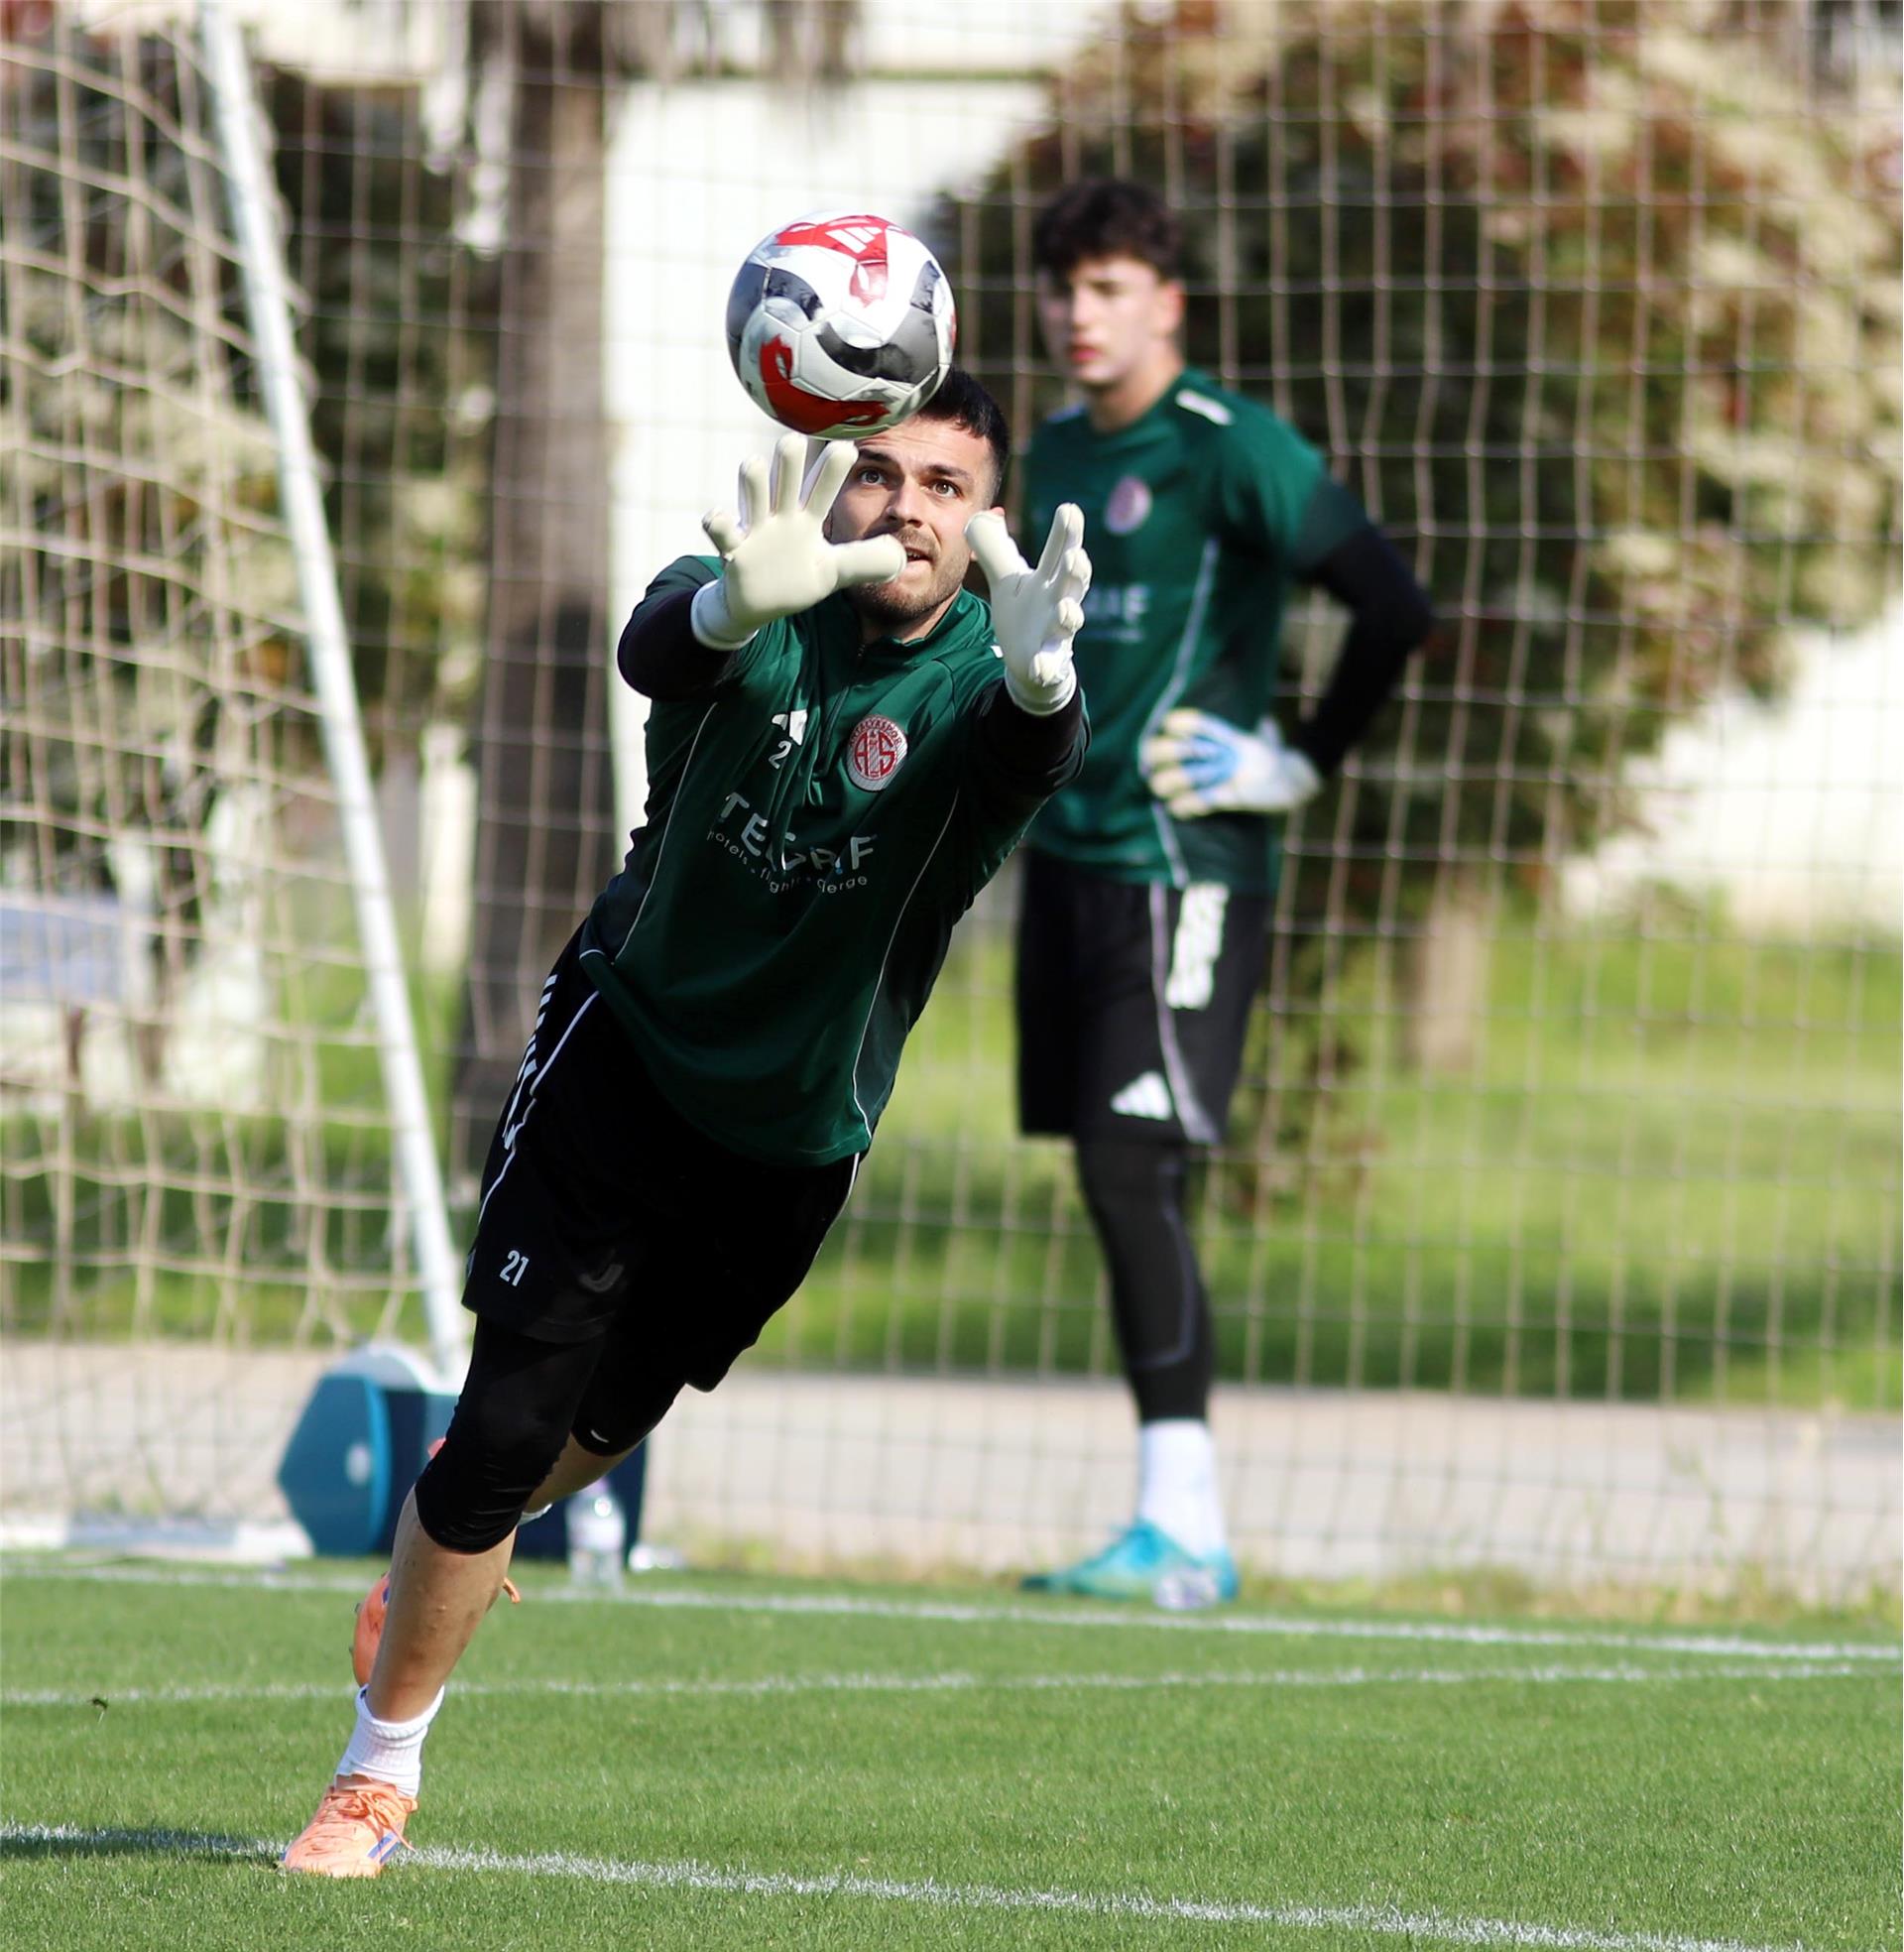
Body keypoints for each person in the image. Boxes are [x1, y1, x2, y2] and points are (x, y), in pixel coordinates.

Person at [283, 368, 1092, 1876]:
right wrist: (729, 607)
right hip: (622, 1059)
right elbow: (654, 646)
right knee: (510, 1419)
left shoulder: (987, 682)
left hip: (791, 1137)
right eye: (880, 471)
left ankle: (447, 1539)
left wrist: (1047, 687)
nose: (906, 507)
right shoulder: (754, 586)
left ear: (987, 524)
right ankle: (374, 1778)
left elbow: (1028, 757)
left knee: (595, 1427)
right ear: (833, 479)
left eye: (948, 487)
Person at [1012, 181, 1434, 1606]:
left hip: (1184, 867)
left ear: (1168, 304)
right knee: (1106, 1172)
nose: (1080, 313)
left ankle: (1186, 1527)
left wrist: (1295, 762)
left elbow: (1395, 606)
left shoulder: (1229, 444)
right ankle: (1166, 1517)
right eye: (1064, 287)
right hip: (1070, 861)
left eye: (1110, 287)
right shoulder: (1053, 449)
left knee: (1136, 1169)